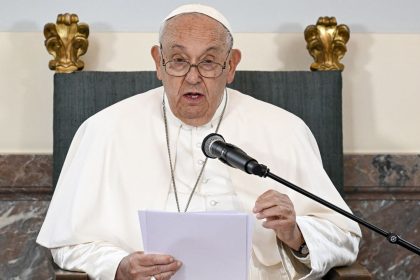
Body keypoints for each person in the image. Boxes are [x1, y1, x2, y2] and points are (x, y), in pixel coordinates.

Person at [37, 4, 361, 280]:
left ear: (231, 65)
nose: (193, 77)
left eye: (208, 62)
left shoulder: (285, 129)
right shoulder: (103, 130)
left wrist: (296, 234)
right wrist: (118, 267)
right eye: (178, 60)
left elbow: (345, 237)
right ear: (158, 62)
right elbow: (67, 243)